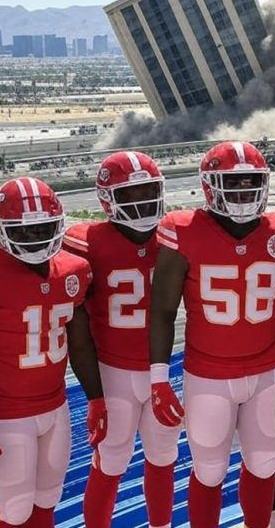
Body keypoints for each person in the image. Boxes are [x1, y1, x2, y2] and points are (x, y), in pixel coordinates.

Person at [148, 141, 275, 528]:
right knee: (208, 471)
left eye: (250, 183)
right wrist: (158, 376)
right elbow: (164, 309)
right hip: (208, 374)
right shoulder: (182, 230)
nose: (242, 193)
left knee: (263, 464)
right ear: (210, 186)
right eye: (232, 183)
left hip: (268, 369)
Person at [0, 177, 106, 528]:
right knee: (12, 514)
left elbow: (79, 344)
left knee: (47, 502)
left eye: (43, 228)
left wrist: (96, 398)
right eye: (25, 231)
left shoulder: (72, 269)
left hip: (56, 406)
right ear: (3, 230)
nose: (36, 238)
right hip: (6, 415)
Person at [64, 151, 182, 528]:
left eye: (148, 190)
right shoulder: (86, 241)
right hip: (113, 372)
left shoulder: (173, 236)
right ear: (108, 199)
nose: (142, 201)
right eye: (131, 194)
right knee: (110, 463)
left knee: (164, 459)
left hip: (160, 370)